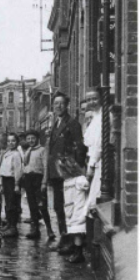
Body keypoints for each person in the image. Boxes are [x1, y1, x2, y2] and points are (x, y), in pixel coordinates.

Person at [46, 92, 86, 252]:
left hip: (68, 173)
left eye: (61, 103)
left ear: (67, 105)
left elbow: (80, 148)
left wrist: (76, 169)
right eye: (56, 103)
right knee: (58, 206)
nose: (58, 106)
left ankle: (70, 240)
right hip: (56, 173)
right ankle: (63, 236)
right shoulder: (55, 123)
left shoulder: (72, 123)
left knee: (68, 206)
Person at [23, 129, 56, 241]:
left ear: (37, 138)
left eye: (33, 138)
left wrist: (44, 182)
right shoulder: (28, 150)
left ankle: (49, 230)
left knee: (42, 205)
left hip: (38, 178)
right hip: (28, 178)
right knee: (32, 205)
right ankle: (35, 230)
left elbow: (46, 166)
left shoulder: (42, 150)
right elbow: (25, 164)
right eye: (28, 139)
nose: (31, 140)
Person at [55, 156, 89, 263]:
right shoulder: (67, 181)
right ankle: (75, 250)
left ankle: (79, 253)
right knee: (74, 232)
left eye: (62, 171)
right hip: (70, 209)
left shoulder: (79, 180)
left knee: (77, 231)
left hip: (78, 209)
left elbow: (87, 186)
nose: (61, 174)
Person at [0, 133, 23, 238]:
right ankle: (8, 224)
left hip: (12, 181)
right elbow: (3, 169)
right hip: (5, 180)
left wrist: (17, 184)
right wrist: (1, 184)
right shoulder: (7, 153)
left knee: (12, 203)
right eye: (9, 141)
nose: (11, 143)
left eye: (13, 141)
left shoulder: (16, 154)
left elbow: (18, 170)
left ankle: (13, 228)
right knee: (7, 203)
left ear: (17, 142)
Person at [83, 88, 102, 216]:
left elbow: (98, 144)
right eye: (89, 99)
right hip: (90, 158)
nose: (91, 102)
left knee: (95, 196)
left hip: (98, 161)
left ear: (101, 98)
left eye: (94, 98)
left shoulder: (102, 117)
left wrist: (91, 165)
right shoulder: (94, 117)